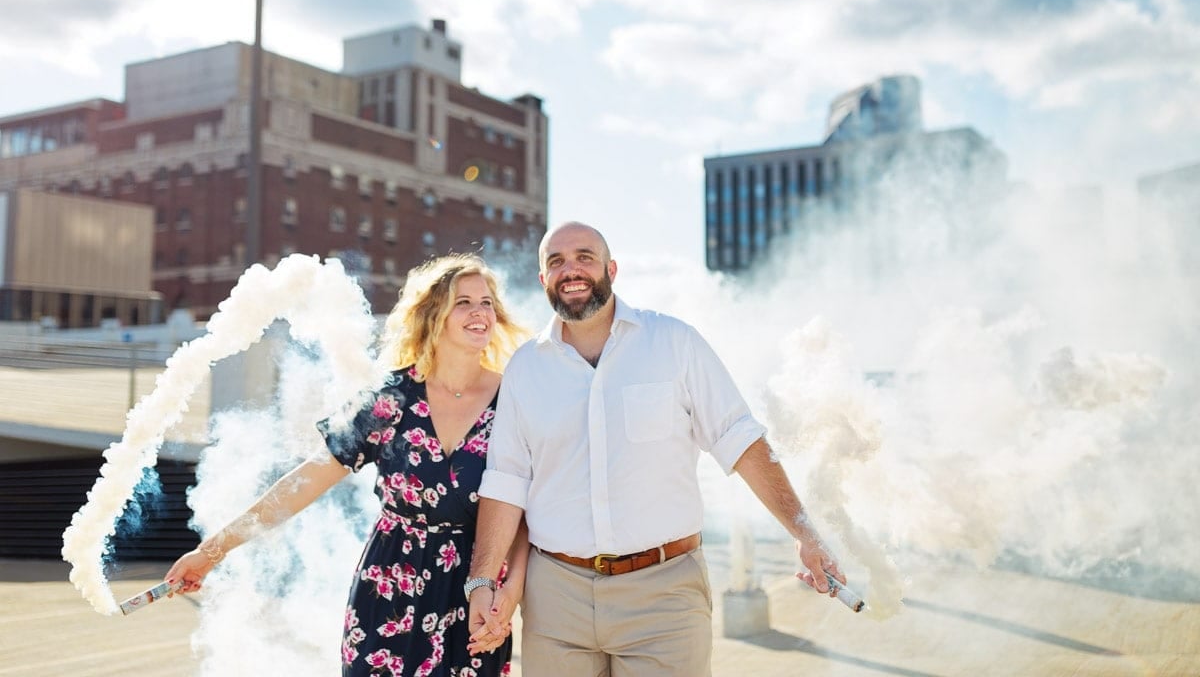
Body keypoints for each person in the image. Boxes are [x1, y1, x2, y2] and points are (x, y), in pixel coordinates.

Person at [464, 222, 846, 676]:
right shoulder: (525, 368)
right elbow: (507, 482)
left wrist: (805, 532)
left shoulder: (674, 343)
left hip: (664, 597)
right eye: (556, 262)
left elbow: (741, 440)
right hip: (555, 599)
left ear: (611, 269)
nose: (571, 270)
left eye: (584, 257)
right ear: (543, 280)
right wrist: (483, 580)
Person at [166, 253, 529, 676]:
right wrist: (211, 552)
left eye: (486, 302)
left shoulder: (515, 400)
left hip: (473, 593)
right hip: (389, 587)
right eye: (462, 301)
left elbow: (523, 514)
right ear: (435, 314)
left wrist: (510, 593)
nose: (479, 312)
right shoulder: (388, 397)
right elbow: (305, 481)